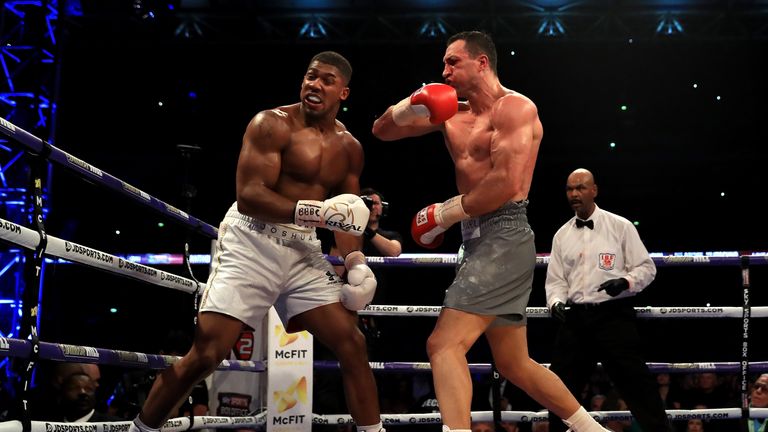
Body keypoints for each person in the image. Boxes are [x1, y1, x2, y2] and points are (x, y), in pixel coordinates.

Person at [131, 51, 384, 432]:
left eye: (327, 80)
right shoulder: (272, 124)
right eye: (311, 76)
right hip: (252, 240)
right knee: (208, 354)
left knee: (352, 343)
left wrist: (355, 263)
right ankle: (142, 429)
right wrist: (317, 214)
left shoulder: (350, 148)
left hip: (301, 251)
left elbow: (347, 215)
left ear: (343, 93)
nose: (315, 84)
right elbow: (251, 195)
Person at [372, 30, 610, 432]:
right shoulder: (449, 113)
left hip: (504, 234)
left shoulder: (515, 109)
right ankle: (593, 430)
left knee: (443, 344)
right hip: (476, 239)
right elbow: (382, 132)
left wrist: (443, 214)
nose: (443, 71)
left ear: (481, 63)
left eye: (452, 62)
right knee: (514, 363)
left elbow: (504, 184)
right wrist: (409, 105)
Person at [544, 168, 673, 432]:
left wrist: (625, 282)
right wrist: (555, 302)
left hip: (613, 316)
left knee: (638, 385)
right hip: (576, 317)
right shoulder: (561, 235)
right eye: (570, 189)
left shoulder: (620, 226)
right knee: (559, 385)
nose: (574, 194)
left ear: (594, 190)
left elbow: (646, 268)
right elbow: (556, 280)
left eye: (580, 187)